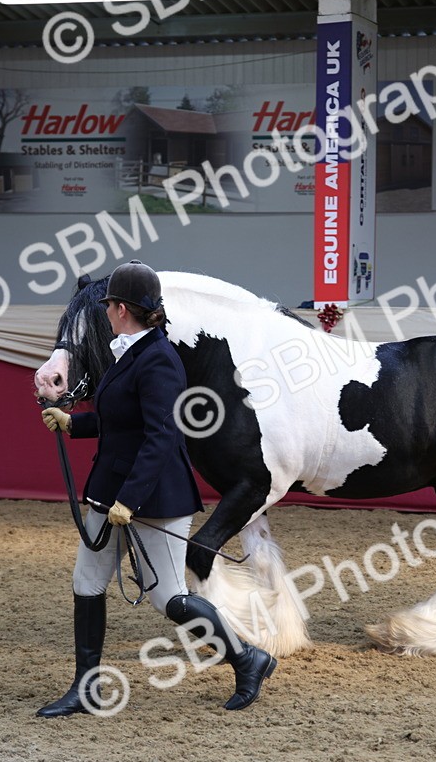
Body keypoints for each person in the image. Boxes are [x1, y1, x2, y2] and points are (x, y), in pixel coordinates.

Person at [38, 260, 276, 716]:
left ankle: (248, 659)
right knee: (87, 583)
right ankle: (86, 689)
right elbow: (120, 419)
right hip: (109, 491)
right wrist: (75, 423)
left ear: (122, 308)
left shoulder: (160, 359)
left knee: (168, 597)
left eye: (108, 306)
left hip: (152, 496)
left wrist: (130, 498)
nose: (106, 312)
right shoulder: (125, 349)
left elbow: (161, 435)